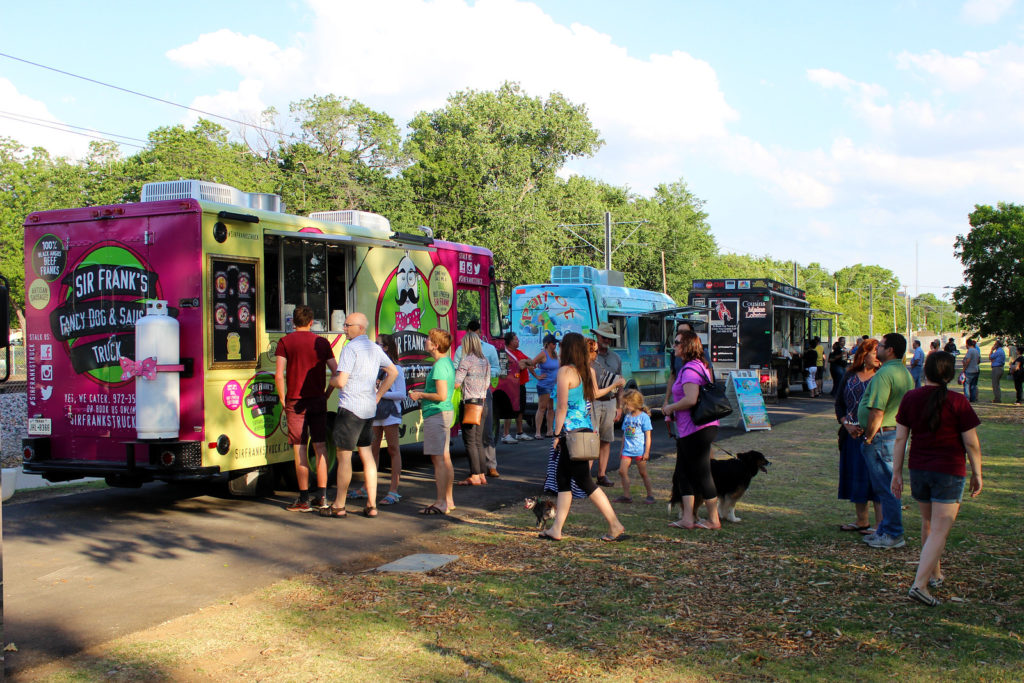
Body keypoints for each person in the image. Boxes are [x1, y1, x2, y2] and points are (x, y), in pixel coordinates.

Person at [891, 351, 982, 606]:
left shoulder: (911, 398)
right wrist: (977, 472)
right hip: (949, 471)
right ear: (950, 374)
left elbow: (900, 439)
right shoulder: (958, 401)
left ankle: (934, 573)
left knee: (929, 523)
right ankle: (919, 584)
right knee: (940, 529)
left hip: (919, 469)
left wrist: (896, 473)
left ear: (925, 370)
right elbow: (971, 443)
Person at [538, 332, 627, 542]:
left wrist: (557, 434)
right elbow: (594, 395)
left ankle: (615, 524)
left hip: (571, 433)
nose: (559, 350)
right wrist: (614, 386)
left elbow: (561, 408)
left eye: (561, 347)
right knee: (563, 480)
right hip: (585, 430)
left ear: (567, 349)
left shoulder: (564, 372)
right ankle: (556, 528)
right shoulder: (586, 371)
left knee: (585, 482)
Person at [322, 313, 399, 519]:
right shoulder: (375, 348)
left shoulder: (351, 348)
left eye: (347, 325)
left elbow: (341, 381)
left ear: (360, 328)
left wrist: (331, 382)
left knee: (344, 456)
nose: (344, 328)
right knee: (367, 455)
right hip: (368, 410)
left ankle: (339, 505)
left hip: (350, 408)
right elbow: (393, 372)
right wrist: (378, 395)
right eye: (344, 324)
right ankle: (372, 505)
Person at [274, 305, 338, 512]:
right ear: (312, 322)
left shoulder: (285, 342)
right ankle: (323, 497)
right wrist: (327, 393)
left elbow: (279, 374)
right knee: (320, 446)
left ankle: (303, 499)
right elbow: (336, 372)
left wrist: (283, 399)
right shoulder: (321, 342)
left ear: (293, 322)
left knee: (299, 448)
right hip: (318, 400)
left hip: (295, 400)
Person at [859, 332, 914, 549]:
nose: (877, 349)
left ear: (890, 349)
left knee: (887, 486)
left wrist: (869, 437)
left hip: (883, 435)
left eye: (880, 345)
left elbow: (877, 411)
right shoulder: (903, 372)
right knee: (886, 485)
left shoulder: (884, 375)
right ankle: (884, 529)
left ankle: (893, 534)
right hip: (894, 434)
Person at [663, 330, 722, 530]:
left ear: (687, 346)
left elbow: (690, 399)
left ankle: (713, 520)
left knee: (702, 473)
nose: (674, 346)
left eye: (678, 342)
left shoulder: (689, 370)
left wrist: (670, 407)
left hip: (695, 429)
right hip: (697, 428)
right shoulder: (699, 366)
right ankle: (688, 518)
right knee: (684, 473)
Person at [834, 338, 882, 534]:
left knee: (876, 479)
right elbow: (839, 404)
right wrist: (846, 424)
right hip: (850, 436)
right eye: (874, 352)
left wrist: (868, 428)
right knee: (856, 477)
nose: (878, 357)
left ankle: (880, 524)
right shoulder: (850, 375)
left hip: (874, 435)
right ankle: (862, 520)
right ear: (864, 355)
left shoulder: (881, 376)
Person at [409, 328, 457, 515]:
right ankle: (448, 500)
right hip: (443, 413)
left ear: (436, 345)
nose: (426, 341)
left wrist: (420, 394)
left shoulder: (439, 366)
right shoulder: (445, 362)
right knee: (444, 458)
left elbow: (441, 395)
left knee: (438, 460)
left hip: (437, 413)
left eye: (429, 339)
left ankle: (441, 502)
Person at [454, 319, 502, 478]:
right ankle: (482, 471)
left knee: (480, 435)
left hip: (473, 396)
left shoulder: (485, 351)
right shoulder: (468, 353)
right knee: (478, 435)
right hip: (481, 394)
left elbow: (457, 377)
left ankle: (487, 467)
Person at [370, 334, 406, 506]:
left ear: (386, 348)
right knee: (372, 450)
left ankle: (393, 490)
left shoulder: (396, 368)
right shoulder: (374, 367)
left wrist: (381, 393)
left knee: (393, 449)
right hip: (375, 412)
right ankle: (368, 487)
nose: (374, 346)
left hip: (391, 412)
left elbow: (402, 394)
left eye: (378, 344)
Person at [453, 331, 491, 486]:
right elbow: (488, 383)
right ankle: (482, 473)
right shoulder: (485, 361)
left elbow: (456, 383)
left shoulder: (466, 361)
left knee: (469, 441)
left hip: (470, 403)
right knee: (478, 440)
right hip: (483, 402)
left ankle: (474, 475)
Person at [591, 322, 624, 487]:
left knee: (606, 439)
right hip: (593, 401)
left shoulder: (616, 358)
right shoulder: (590, 356)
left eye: (609, 338)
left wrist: (619, 406)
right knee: (589, 439)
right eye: (604, 337)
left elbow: (620, 384)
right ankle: (584, 478)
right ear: (597, 336)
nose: (607, 341)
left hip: (609, 401)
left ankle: (601, 475)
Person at [613, 389, 655, 505]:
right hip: (627, 450)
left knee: (643, 473)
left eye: (627, 403)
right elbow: (624, 435)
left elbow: (648, 436)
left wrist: (646, 452)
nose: (625, 406)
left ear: (635, 404)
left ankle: (650, 494)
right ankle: (627, 496)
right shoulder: (627, 417)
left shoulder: (644, 417)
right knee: (622, 471)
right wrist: (622, 449)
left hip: (639, 451)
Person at [498, 331, 533, 443]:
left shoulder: (518, 352)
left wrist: (523, 362)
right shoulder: (504, 353)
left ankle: (519, 432)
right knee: (509, 409)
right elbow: (513, 368)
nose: (518, 341)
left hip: (521, 385)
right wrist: (521, 364)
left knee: (520, 409)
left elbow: (530, 361)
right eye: (515, 339)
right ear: (509, 341)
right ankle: (506, 434)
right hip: (510, 386)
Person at [530, 335, 560, 439]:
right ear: (547, 344)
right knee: (542, 408)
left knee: (551, 408)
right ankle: (538, 432)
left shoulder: (555, 354)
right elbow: (531, 364)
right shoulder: (543, 354)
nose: (555, 345)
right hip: (544, 385)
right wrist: (537, 376)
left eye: (555, 343)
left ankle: (549, 430)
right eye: (553, 343)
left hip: (554, 385)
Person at [961, 338, 981, 403]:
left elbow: (968, 361)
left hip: (969, 370)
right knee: (973, 385)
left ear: (967, 344)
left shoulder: (970, 351)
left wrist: (964, 369)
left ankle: (967, 398)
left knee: (966, 385)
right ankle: (973, 398)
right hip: (976, 369)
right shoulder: (976, 350)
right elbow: (978, 361)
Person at [989, 339, 1006, 403]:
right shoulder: (1001, 351)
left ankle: (997, 399)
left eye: (995, 344)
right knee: (997, 384)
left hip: (997, 368)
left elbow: (990, 357)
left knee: (995, 384)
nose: (994, 345)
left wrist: (991, 350)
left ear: (997, 345)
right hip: (1000, 368)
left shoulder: (998, 351)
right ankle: (997, 397)